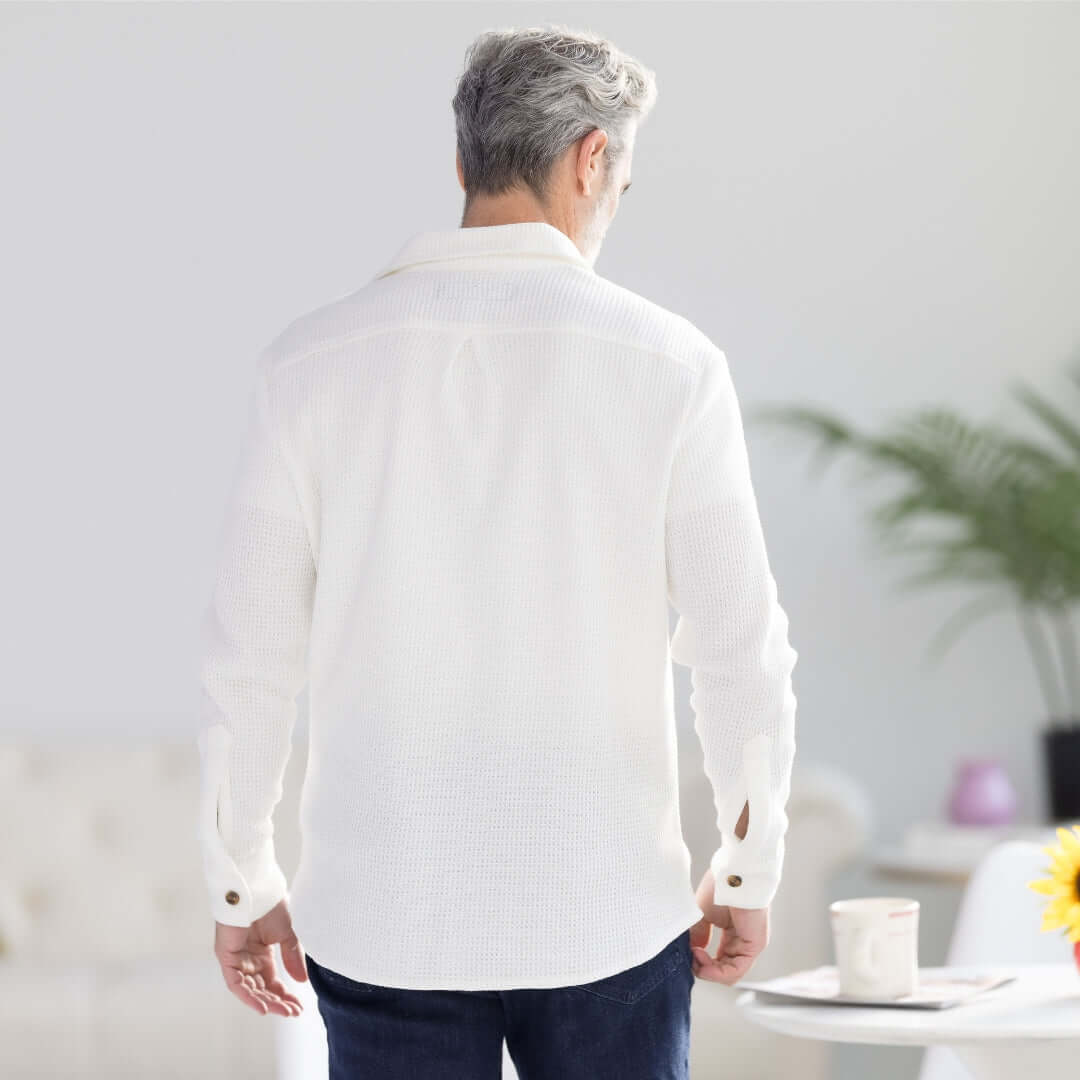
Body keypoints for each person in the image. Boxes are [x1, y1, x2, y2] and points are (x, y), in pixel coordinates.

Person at [195, 22, 798, 1080]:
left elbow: (249, 660)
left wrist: (241, 878)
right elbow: (740, 650)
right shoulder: (671, 368)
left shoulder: (310, 366)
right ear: (591, 159)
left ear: (463, 162)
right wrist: (744, 870)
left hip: (385, 917)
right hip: (605, 906)